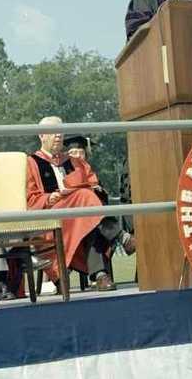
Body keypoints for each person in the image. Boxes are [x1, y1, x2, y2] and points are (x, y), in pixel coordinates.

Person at [26, 117, 135, 292]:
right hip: (52, 218)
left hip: (80, 216)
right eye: (53, 133)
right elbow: (30, 199)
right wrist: (48, 198)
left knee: (91, 216)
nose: (58, 136)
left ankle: (100, 275)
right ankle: (121, 237)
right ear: (41, 136)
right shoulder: (31, 163)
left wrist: (96, 188)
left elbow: (93, 183)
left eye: (60, 132)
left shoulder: (74, 161)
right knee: (86, 199)